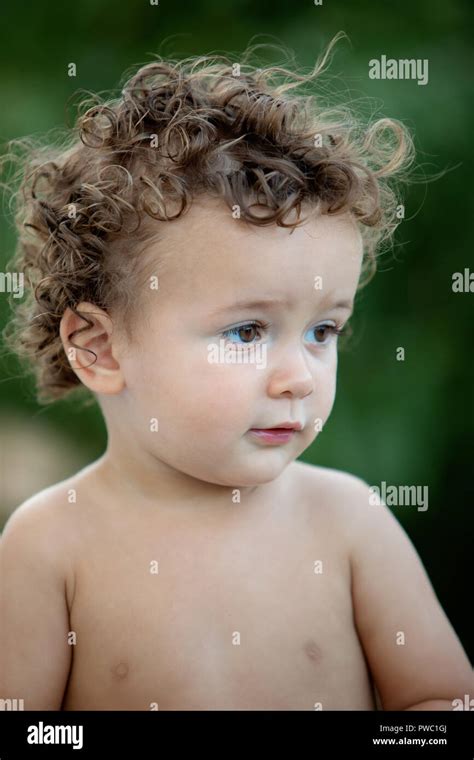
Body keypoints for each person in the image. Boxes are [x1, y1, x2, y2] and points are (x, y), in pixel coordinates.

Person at [0, 36, 472, 711]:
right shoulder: (50, 545)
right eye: (247, 331)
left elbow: (440, 703)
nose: (300, 378)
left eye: (323, 331)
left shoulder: (347, 525)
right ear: (100, 349)